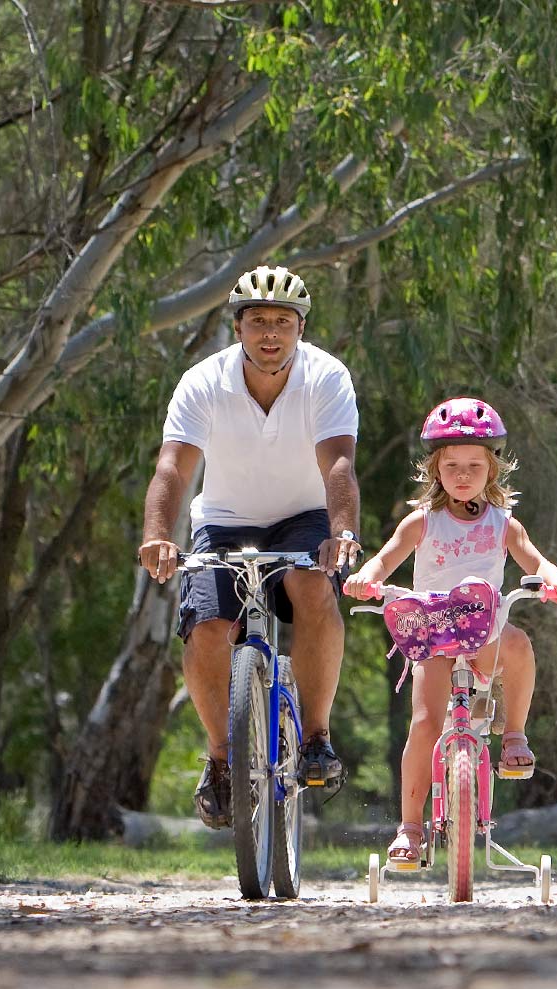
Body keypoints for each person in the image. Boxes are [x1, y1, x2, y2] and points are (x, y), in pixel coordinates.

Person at [137, 265, 363, 829]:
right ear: (237, 327)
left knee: (314, 589)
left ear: (300, 328)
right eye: (258, 321)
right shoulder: (202, 383)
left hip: (303, 518)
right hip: (223, 521)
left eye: (282, 322)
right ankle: (220, 758)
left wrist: (343, 533)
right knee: (208, 629)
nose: (270, 333)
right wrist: (157, 535)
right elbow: (172, 467)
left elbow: (338, 463)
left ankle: (315, 738)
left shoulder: (327, 378)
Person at [342, 397, 557, 867]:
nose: (463, 475)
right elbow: (387, 557)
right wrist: (367, 577)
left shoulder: (504, 524)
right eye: (452, 465)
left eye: (474, 465)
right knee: (426, 723)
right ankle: (410, 828)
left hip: (481, 628)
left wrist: (554, 578)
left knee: (516, 643)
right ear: (435, 469)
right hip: (431, 630)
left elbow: (534, 559)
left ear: (493, 470)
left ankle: (514, 734)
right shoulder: (423, 521)